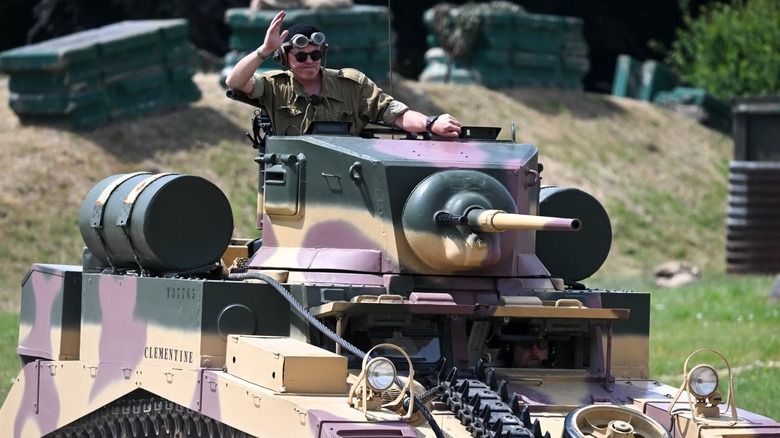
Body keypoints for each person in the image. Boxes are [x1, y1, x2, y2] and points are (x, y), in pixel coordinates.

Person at [225, 10, 462, 137]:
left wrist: (431, 123)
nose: (309, 61)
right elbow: (234, 82)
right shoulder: (275, 86)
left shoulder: (352, 84)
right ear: (285, 59)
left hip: (346, 181)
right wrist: (265, 50)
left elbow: (395, 113)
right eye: (300, 56)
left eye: (315, 55)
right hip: (295, 183)